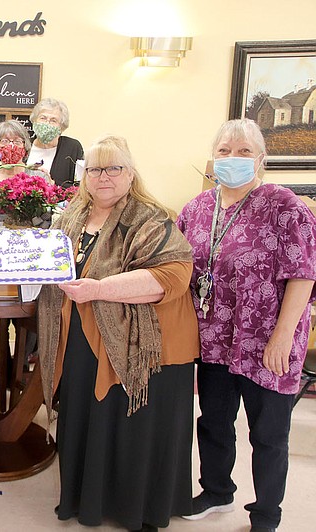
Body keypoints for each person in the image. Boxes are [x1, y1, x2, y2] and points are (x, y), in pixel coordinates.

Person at [37, 135, 199, 531]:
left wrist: (98, 290)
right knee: (84, 418)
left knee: (130, 428)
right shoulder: (71, 216)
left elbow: (173, 277)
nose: (103, 177)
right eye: (95, 169)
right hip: (79, 337)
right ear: (84, 175)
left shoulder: (150, 218)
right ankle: (83, 500)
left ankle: (134, 510)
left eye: (114, 168)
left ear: (130, 173)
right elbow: (47, 265)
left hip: (140, 347)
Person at [177, 118, 316, 532]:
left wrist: (282, 337)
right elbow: (178, 268)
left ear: (261, 160)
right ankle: (217, 490)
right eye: (224, 150)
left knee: (268, 433)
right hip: (214, 338)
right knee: (214, 421)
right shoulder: (197, 209)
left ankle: (266, 514)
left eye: (243, 151)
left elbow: (304, 275)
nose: (232, 158)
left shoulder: (285, 206)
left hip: (267, 341)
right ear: (212, 157)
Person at [25, 97, 84, 187]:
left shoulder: (72, 148)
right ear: (34, 121)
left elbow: (80, 187)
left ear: (61, 127)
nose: (47, 123)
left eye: (53, 120)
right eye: (43, 118)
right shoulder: (24, 145)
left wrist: (53, 185)